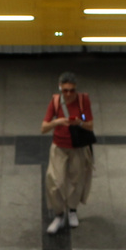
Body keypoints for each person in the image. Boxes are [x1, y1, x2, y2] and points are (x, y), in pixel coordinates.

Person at [41, 71, 93, 234]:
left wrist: (80, 122)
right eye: (65, 90)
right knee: (55, 183)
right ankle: (58, 213)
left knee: (76, 181)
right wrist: (57, 121)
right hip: (59, 147)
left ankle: (72, 210)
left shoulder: (83, 101)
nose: (69, 94)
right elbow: (43, 128)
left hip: (78, 148)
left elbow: (90, 125)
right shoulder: (55, 102)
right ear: (60, 89)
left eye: (72, 90)